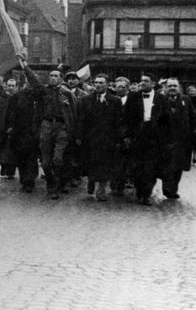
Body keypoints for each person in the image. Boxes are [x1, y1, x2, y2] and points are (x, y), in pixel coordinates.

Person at [20, 57, 77, 199]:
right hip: (46, 126)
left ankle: (56, 187)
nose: (53, 78)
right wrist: (25, 66)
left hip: (61, 127)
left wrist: (73, 132)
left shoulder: (67, 94)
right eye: (51, 76)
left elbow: (74, 113)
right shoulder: (44, 91)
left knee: (58, 159)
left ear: (61, 78)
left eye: (56, 76)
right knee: (45, 162)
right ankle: (50, 182)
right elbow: (33, 81)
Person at [77, 74, 123, 202]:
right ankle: (91, 180)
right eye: (96, 82)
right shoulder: (86, 100)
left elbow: (118, 122)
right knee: (91, 162)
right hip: (90, 138)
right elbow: (81, 119)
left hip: (107, 139)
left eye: (101, 83)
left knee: (104, 164)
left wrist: (118, 139)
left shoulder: (115, 101)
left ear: (107, 85)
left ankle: (101, 190)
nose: (98, 85)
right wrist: (79, 136)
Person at [122, 72, 165, 206]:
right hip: (137, 135)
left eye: (146, 81)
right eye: (141, 81)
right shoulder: (133, 97)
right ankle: (140, 189)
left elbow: (166, 119)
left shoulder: (161, 98)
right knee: (137, 165)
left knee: (151, 167)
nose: (142, 83)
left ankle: (146, 194)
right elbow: (125, 118)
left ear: (153, 83)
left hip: (154, 136)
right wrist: (127, 136)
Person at [157, 78, 196, 199]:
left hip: (182, 140)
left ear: (179, 87)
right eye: (170, 86)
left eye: (175, 86)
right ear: (166, 87)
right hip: (166, 139)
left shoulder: (185, 100)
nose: (172, 88)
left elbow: (193, 116)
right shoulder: (161, 99)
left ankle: (173, 189)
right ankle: (167, 188)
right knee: (167, 166)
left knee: (179, 166)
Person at [6, 76, 41, 193]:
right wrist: (12, 127)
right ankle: (24, 178)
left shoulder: (40, 96)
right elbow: (11, 113)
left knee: (32, 157)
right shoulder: (18, 96)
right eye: (28, 82)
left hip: (35, 132)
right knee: (21, 157)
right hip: (20, 132)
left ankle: (29, 180)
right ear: (25, 83)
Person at [111, 77, 132, 195]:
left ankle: (121, 184)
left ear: (127, 88)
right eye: (118, 87)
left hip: (125, 135)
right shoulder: (111, 100)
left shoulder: (131, 101)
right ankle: (114, 181)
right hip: (111, 135)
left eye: (123, 87)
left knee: (123, 161)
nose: (120, 89)